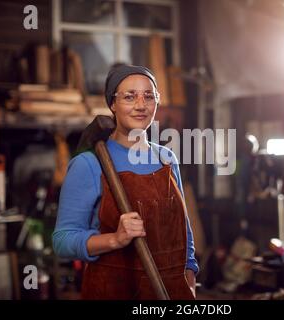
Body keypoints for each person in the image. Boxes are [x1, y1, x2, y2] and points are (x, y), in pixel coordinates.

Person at [53, 64, 198, 300]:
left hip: (170, 291)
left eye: (148, 96)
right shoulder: (89, 164)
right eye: (129, 97)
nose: (141, 105)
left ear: (156, 103)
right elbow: (62, 241)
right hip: (113, 290)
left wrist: (190, 276)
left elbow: (183, 229)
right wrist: (115, 239)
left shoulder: (166, 158)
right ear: (112, 104)